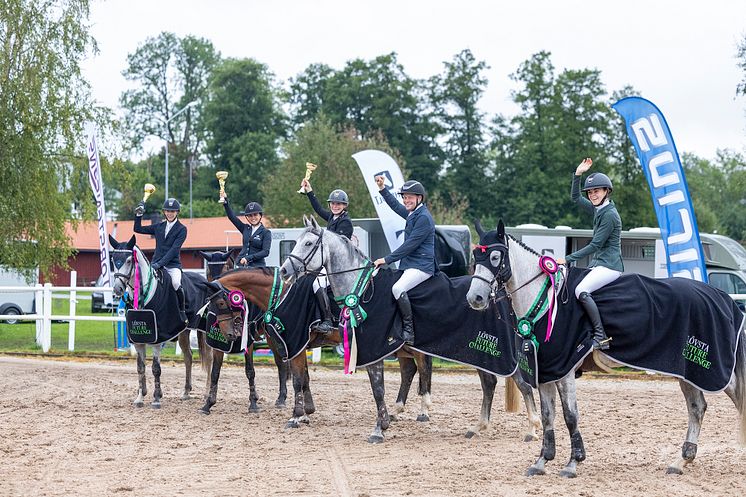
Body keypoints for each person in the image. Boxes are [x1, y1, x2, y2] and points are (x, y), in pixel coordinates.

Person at [557, 158, 623, 350]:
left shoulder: (610, 215)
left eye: (597, 191)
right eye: (591, 192)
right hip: (599, 263)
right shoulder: (599, 209)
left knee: (580, 290)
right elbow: (576, 198)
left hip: (610, 266)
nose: (593, 195)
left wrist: (567, 259)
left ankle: (601, 336)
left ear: (606, 191)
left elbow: (595, 245)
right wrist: (577, 175)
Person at [372, 177, 436, 345]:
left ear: (419, 198)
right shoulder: (413, 213)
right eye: (404, 197)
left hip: (422, 266)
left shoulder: (424, 218)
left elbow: (410, 246)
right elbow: (395, 206)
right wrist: (382, 188)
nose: (406, 200)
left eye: (410, 197)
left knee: (398, 287)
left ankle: (409, 332)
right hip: (410, 265)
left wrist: (385, 259)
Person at [299, 178, 353, 334]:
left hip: (340, 266)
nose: (335, 206)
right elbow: (318, 209)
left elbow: (337, 249)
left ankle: (328, 320)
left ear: (344, 206)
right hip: (329, 264)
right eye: (333, 203)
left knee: (317, 283)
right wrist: (309, 191)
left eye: (338, 204)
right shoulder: (332, 217)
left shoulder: (345, 223)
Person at [134, 197, 188, 323]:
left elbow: (174, 250)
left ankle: (182, 312)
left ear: (177, 212)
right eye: (168, 211)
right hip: (156, 263)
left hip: (172, 265)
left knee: (175, 283)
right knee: (145, 283)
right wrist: (138, 215)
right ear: (164, 212)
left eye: (173, 211)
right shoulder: (159, 226)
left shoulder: (182, 229)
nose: (170, 213)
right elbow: (138, 229)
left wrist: (159, 264)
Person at [220, 192, 271, 268]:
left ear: (260, 215)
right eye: (250, 215)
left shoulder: (266, 232)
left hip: (257, 266)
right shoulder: (245, 228)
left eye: (255, 215)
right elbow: (232, 217)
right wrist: (225, 202)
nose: (253, 218)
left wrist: (248, 258)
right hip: (240, 264)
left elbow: (265, 252)